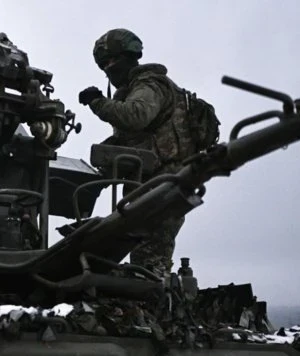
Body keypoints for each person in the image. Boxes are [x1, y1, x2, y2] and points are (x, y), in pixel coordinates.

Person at [78, 28, 217, 278]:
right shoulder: (135, 89)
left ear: (129, 57)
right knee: (142, 256)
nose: (108, 69)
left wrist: (98, 102)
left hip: (164, 182)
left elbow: (136, 116)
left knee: (149, 262)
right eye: (103, 65)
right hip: (153, 182)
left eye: (112, 61)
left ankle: (155, 294)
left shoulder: (149, 84)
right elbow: (131, 141)